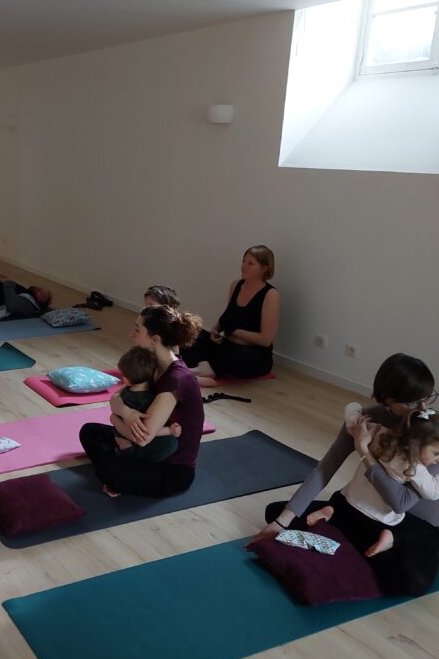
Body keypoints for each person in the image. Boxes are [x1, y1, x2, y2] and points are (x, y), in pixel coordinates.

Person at [248, 353, 439, 596]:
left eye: (428, 397)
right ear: (390, 401)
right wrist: (281, 522)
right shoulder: (366, 421)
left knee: (413, 583)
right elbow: (324, 470)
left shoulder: (429, 432)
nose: (424, 408)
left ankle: (369, 540)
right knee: (276, 513)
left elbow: (401, 502)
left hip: (411, 521)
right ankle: (353, 540)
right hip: (363, 509)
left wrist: (364, 452)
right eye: (415, 402)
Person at [79, 305, 205, 498]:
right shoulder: (153, 364)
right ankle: (123, 462)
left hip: (171, 467)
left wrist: (116, 418)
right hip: (148, 446)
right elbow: (116, 398)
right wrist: (127, 413)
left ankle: (119, 470)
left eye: (137, 330)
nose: (131, 334)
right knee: (89, 431)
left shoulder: (176, 379)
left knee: (108, 470)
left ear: (155, 340)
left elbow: (142, 437)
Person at [304, 406, 439, 558]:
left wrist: (356, 419)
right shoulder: (415, 468)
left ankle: (329, 515)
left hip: (346, 499)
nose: (437, 460)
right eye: (436, 453)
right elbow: (434, 493)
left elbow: (351, 407)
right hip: (377, 519)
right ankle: (388, 538)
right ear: (416, 444)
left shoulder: (380, 434)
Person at [181, 245, 279, 386]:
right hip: (228, 344)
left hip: (254, 354)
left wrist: (234, 331)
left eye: (250, 263)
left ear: (264, 268)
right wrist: (216, 329)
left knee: (242, 356)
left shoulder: (271, 295)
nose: (243, 266)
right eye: (243, 261)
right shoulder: (235, 285)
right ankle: (204, 367)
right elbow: (228, 316)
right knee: (194, 333)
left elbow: (265, 340)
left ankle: (206, 370)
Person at [109, 346, 181, 469]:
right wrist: (169, 430)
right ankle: (138, 467)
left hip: (124, 440)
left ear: (126, 380)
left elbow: (114, 400)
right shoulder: (150, 398)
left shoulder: (125, 391)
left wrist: (114, 418)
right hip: (134, 446)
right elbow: (146, 432)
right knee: (171, 443)